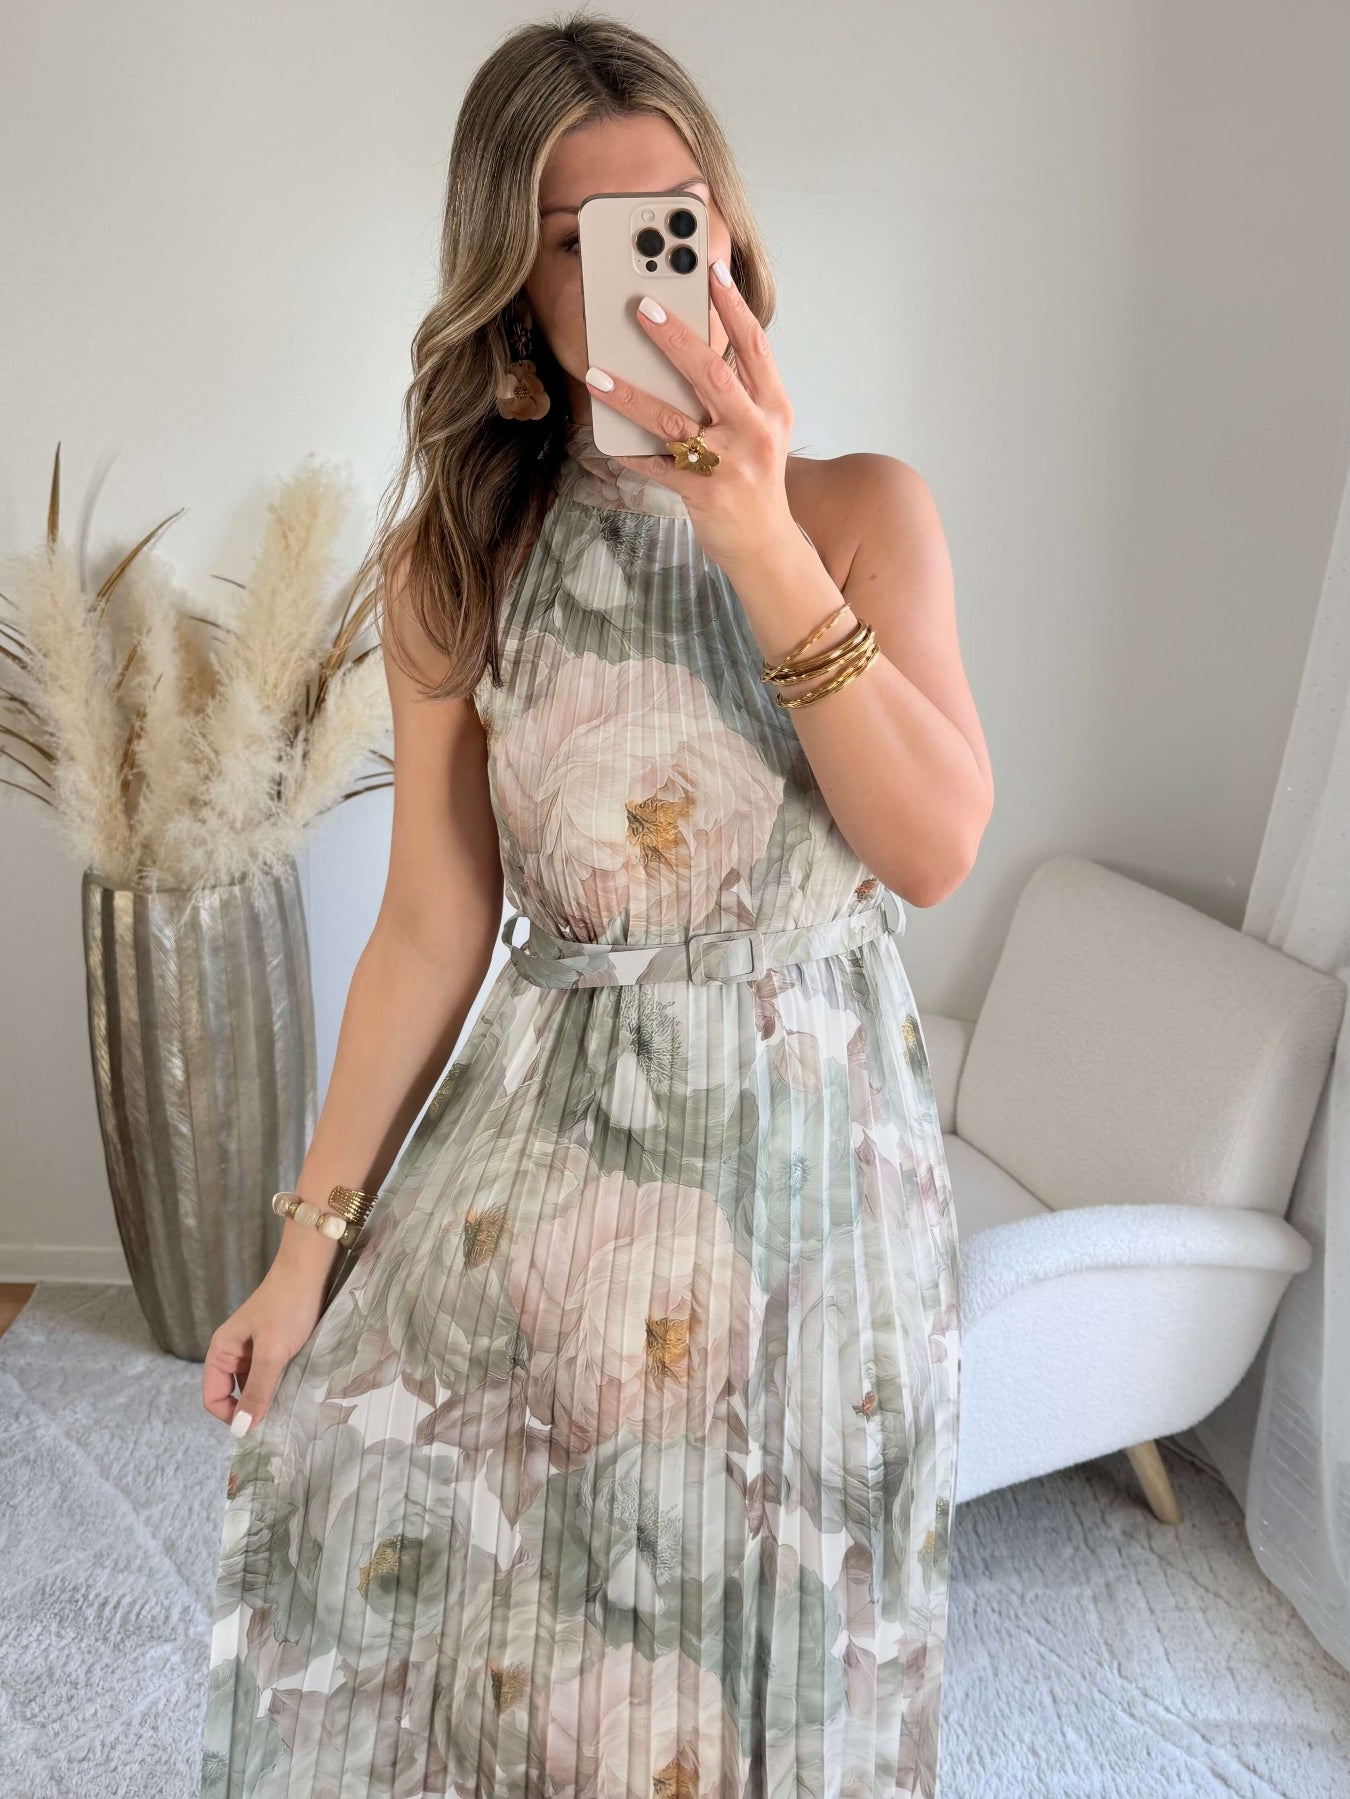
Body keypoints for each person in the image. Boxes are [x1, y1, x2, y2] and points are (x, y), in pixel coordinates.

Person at [199, 13, 992, 1797]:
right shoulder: (455, 559)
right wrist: (303, 1253)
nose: (643, 272)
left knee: (783, 1656)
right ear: (512, 288)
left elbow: (931, 849)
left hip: (820, 1201)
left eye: (674, 216)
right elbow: (430, 926)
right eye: (580, 239)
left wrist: (753, 529)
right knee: (507, 1625)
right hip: (553, 1171)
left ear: (726, 232)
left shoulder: (861, 512)